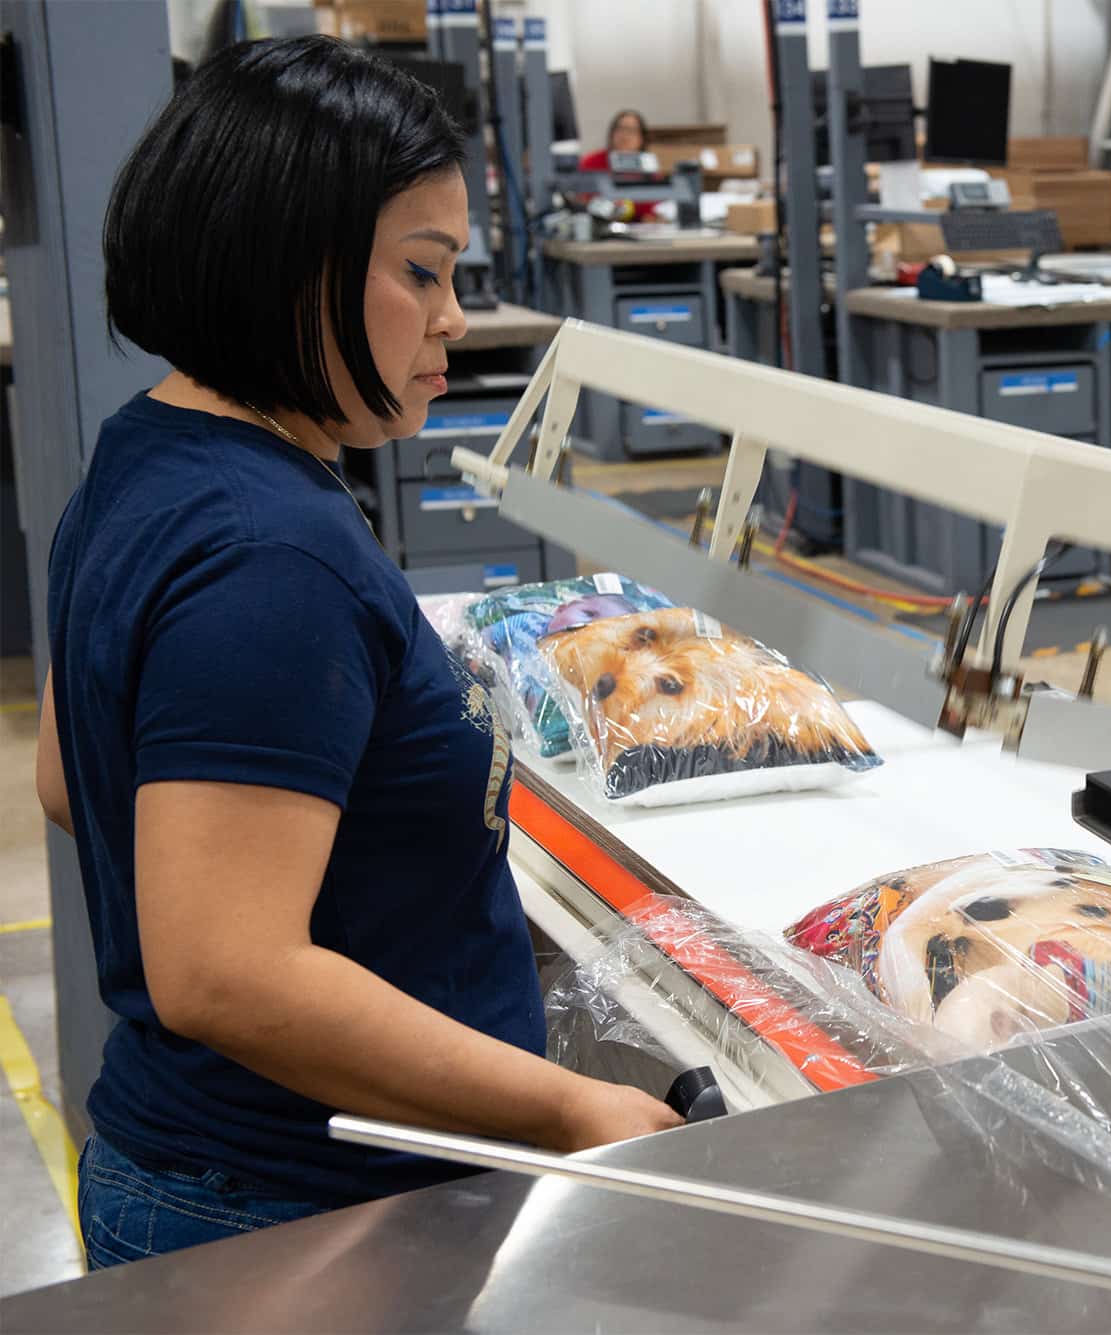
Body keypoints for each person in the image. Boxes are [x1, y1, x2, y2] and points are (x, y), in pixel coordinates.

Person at [35, 36, 680, 1271]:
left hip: (193, 1166)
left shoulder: (147, 452)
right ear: (286, 271)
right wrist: (566, 1107)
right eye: (421, 274)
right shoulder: (273, 557)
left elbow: (73, 781)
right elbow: (222, 974)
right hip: (300, 1206)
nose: (452, 319)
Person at [578, 107, 648, 173]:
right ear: (611, 134)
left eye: (631, 131)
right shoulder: (591, 162)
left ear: (641, 139)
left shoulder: (647, 165)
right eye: (621, 129)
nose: (625, 136)